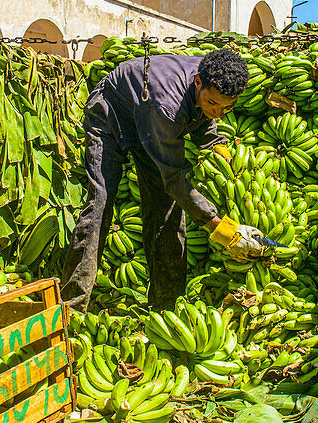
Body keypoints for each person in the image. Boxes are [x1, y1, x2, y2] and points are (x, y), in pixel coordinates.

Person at [62, 47, 266, 312]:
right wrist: (219, 227)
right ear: (197, 82)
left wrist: (218, 147)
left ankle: (166, 306)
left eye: (227, 106)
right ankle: (72, 306)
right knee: (101, 202)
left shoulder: (213, 76)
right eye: (213, 103)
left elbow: (203, 115)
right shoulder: (166, 106)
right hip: (112, 115)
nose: (218, 112)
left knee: (166, 210)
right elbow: (174, 177)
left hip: (149, 118)